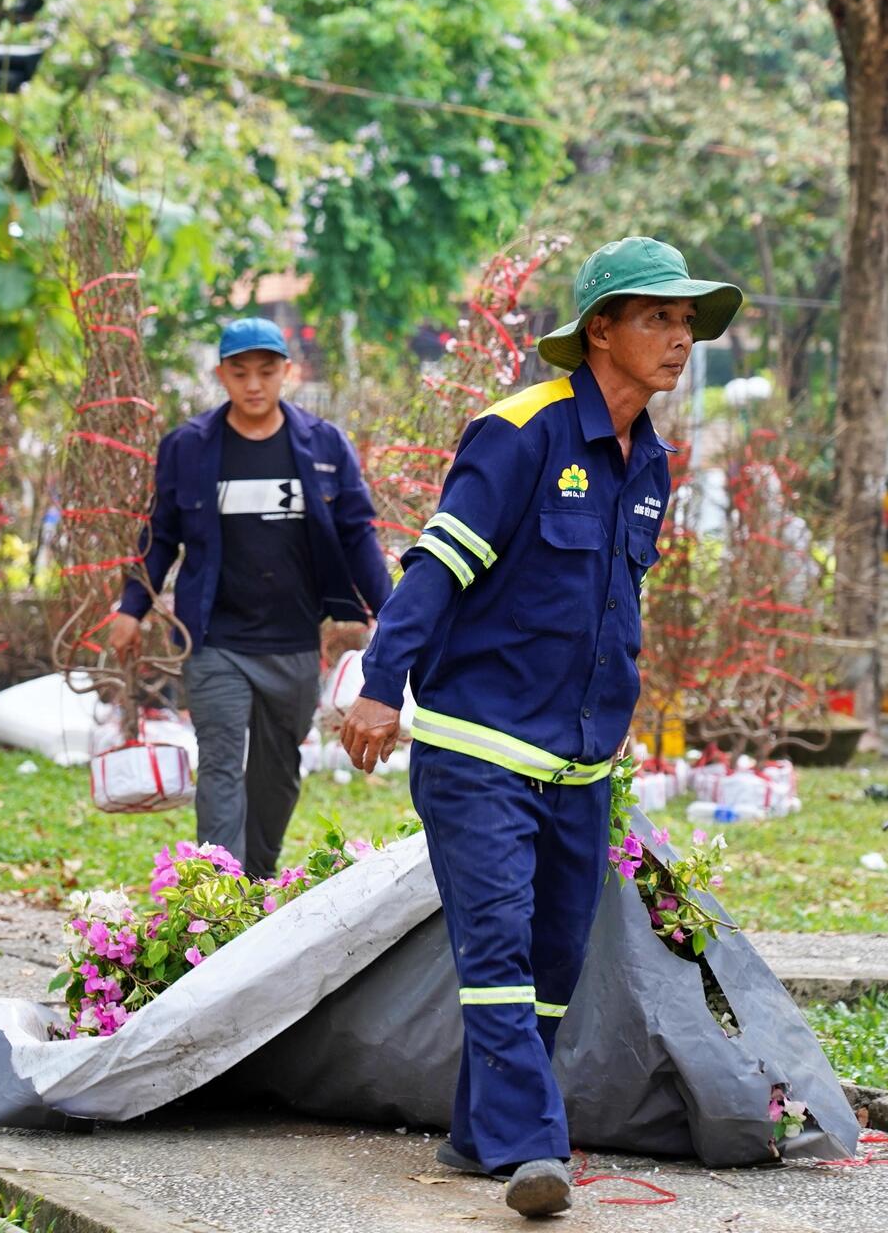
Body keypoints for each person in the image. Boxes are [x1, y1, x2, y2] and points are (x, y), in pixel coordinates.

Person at [340, 238, 743, 1218]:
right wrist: (379, 684)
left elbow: (613, 602)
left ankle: (481, 1130)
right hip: (479, 747)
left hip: (578, 761)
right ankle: (533, 1146)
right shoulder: (518, 431)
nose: (678, 338)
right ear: (598, 328)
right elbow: (435, 568)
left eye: (687, 321)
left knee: (557, 957)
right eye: (658, 317)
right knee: (499, 946)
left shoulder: (649, 458)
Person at [111, 318, 393, 878]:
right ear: (222, 376)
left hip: (292, 640)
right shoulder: (188, 448)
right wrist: (129, 608)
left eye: (267, 371)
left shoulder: (324, 446)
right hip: (213, 639)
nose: (254, 384)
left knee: (278, 770)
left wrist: (390, 613)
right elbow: (160, 535)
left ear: (287, 371)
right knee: (218, 762)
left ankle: (257, 876)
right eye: (240, 373)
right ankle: (220, 891)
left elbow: (358, 531)